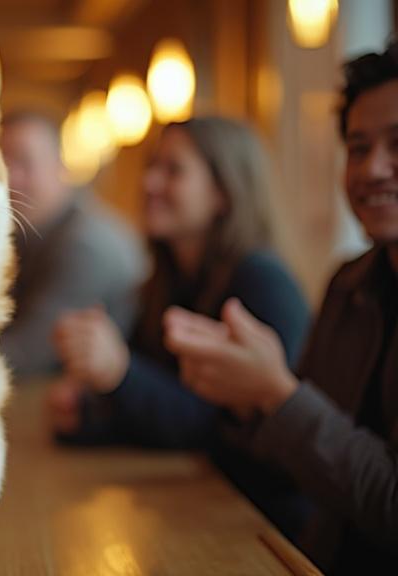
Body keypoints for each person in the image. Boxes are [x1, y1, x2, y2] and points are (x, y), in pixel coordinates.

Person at [164, 43, 398, 574]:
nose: (373, 169)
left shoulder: (261, 276)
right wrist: (251, 400)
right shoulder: (350, 284)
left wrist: (275, 393)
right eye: (358, 148)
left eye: (397, 143)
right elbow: (295, 468)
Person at [49, 116, 311, 538]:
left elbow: (228, 433)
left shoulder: (262, 281)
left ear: (223, 192)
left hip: (263, 528)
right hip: (190, 509)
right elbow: (154, 414)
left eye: (173, 170)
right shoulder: (167, 281)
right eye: (153, 166)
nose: (149, 182)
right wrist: (85, 413)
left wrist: (120, 372)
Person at [0, 110, 145, 376]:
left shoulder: (86, 246)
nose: (9, 180)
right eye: (0, 163)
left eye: (23, 162)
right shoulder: (32, 230)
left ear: (61, 167)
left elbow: (27, 354)